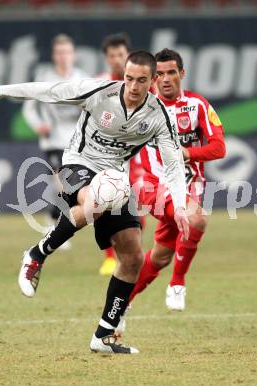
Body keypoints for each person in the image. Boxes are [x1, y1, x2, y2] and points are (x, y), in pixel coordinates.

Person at [0, 50, 189, 354]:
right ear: (123, 76)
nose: (133, 86)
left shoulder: (157, 116)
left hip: (114, 177)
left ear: (152, 80)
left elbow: (173, 165)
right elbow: (48, 91)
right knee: (96, 199)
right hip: (77, 164)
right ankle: (37, 254)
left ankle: (103, 335)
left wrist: (179, 204)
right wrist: (1, 90)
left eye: (141, 80)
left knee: (132, 256)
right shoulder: (100, 92)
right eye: (128, 78)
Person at [116, 48, 226, 336]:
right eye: (160, 74)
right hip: (154, 185)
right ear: (152, 78)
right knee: (197, 220)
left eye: (171, 73)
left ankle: (120, 305)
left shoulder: (198, 105)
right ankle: (178, 283)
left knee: (161, 255)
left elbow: (219, 147)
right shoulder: (142, 107)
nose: (165, 80)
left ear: (182, 74)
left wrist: (187, 152)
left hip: (191, 187)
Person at [23, 34, 87, 247]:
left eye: (67, 52)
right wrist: (38, 125)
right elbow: (29, 108)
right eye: (59, 52)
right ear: (54, 55)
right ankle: (58, 226)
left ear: (73, 54)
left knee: (72, 187)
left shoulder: (82, 78)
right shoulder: (44, 77)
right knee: (63, 183)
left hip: (77, 141)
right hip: (53, 141)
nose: (63, 56)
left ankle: (53, 219)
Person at [98, 33, 147, 276]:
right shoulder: (101, 85)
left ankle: (131, 252)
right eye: (112, 56)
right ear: (107, 59)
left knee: (137, 202)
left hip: (138, 153)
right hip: (107, 155)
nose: (117, 60)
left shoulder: (145, 85)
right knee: (106, 203)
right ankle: (111, 257)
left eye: (121, 54)